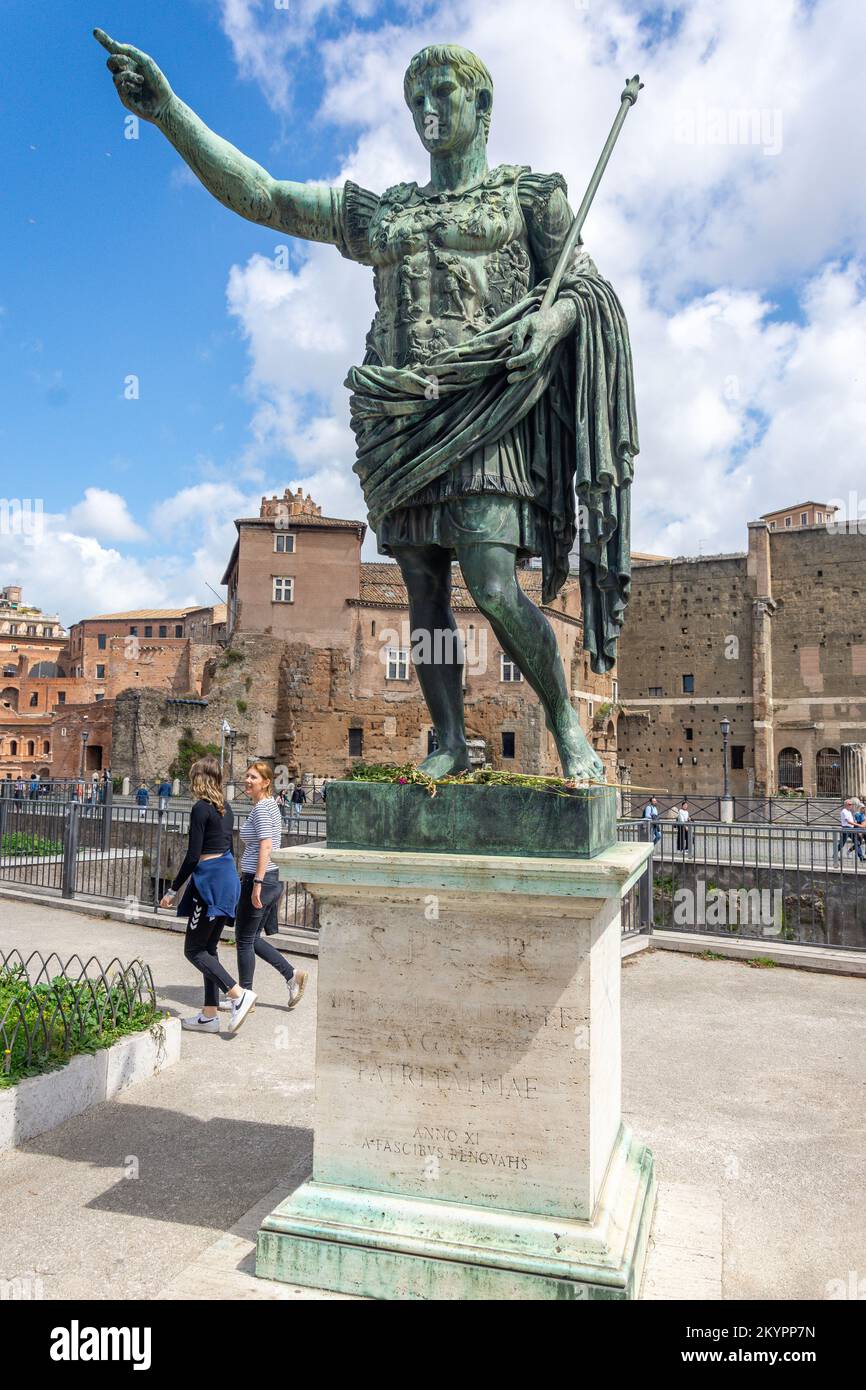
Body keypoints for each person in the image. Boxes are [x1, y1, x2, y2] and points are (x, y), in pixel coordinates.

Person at [95, 34, 639, 784]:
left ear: (481, 103)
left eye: (442, 92)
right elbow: (265, 196)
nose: (427, 108)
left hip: (487, 413)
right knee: (423, 589)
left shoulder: (528, 198)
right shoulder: (385, 214)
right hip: (399, 421)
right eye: (416, 98)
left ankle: (567, 726)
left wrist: (552, 323)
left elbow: (585, 287)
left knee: (489, 579)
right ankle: (449, 739)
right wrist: (168, 114)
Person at [159, 756, 254, 1034]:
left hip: (210, 883)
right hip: (227, 878)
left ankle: (237, 994)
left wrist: (172, 890)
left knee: (194, 950)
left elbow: (192, 856)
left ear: (198, 779)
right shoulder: (227, 808)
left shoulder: (201, 808)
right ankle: (209, 1015)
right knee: (209, 949)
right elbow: (229, 848)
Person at [234, 761, 306, 1009]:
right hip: (270, 878)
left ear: (265, 782)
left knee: (244, 939)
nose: (247, 781)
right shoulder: (269, 806)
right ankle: (291, 975)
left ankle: (245, 996)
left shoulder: (263, 809)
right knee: (251, 937)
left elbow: (266, 845)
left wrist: (257, 882)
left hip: (260, 880)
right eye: (247, 776)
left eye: (253, 777)